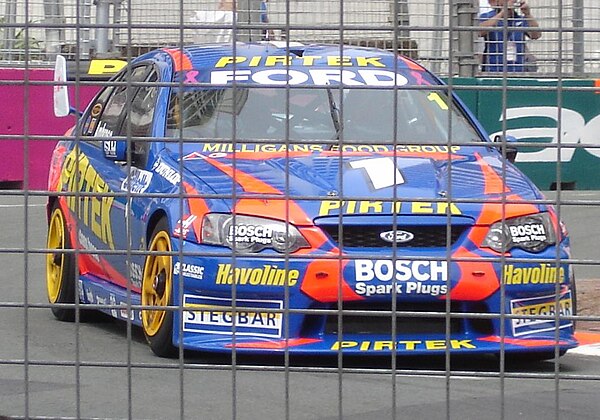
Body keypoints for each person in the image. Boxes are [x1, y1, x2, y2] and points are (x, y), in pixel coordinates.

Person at [479, 0, 541, 73]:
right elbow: (480, 32)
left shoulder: (519, 19)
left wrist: (528, 14)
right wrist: (502, 13)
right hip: (493, 68)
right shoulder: (488, 16)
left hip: (517, 68)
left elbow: (536, 35)